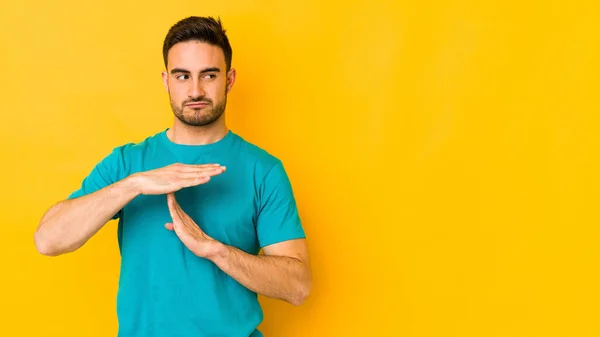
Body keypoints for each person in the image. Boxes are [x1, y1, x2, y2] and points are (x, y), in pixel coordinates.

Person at [34, 16, 312, 337]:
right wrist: (135, 184)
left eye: (208, 75)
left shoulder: (263, 171)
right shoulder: (128, 162)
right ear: (167, 81)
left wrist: (213, 249)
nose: (195, 90)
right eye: (183, 76)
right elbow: (48, 240)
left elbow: (298, 286)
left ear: (230, 79)